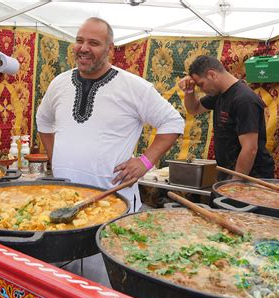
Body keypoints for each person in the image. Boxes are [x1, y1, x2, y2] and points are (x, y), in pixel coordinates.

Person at [36, 17, 184, 210]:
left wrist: (145, 162)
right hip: (64, 200)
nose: (83, 48)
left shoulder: (133, 86)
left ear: (110, 49)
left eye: (94, 43)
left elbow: (172, 122)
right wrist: (55, 158)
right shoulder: (59, 83)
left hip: (114, 202)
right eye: (80, 41)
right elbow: (44, 120)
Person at [178, 55, 274, 180]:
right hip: (229, 172)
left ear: (212, 74)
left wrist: (234, 184)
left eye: (201, 84)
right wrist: (189, 91)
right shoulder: (219, 94)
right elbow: (193, 109)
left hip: (251, 176)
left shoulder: (244, 100)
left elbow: (250, 148)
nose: (201, 89)